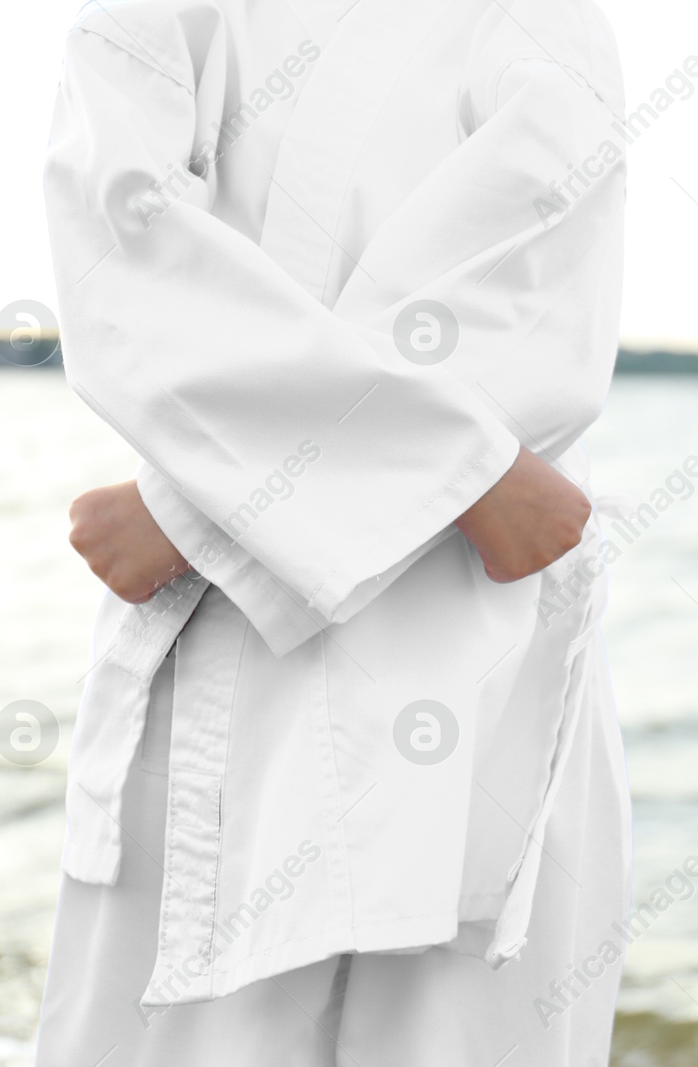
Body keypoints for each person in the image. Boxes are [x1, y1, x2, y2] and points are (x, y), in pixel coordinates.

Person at [34, 0, 632, 1062]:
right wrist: (468, 469)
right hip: (225, 665)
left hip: (468, 645)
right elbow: (121, 246)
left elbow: (530, 289)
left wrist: (190, 515)